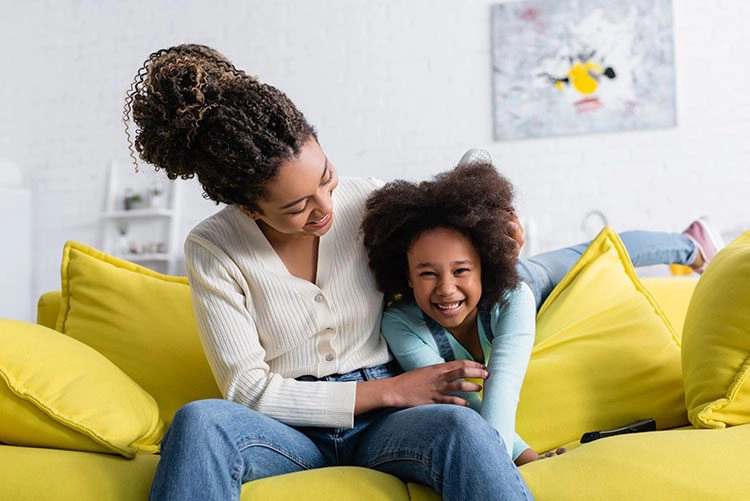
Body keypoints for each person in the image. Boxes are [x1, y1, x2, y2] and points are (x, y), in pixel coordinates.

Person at [124, 44, 533, 500]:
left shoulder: (369, 202)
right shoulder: (213, 247)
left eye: (326, 177)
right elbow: (245, 388)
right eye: (298, 206)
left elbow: (456, 223)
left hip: (390, 427)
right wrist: (392, 391)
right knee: (199, 421)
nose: (325, 208)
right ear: (247, 206)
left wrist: (508, 232)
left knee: (460, 426)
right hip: (288, 430)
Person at [360, 161, 723, 466]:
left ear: (483, 265)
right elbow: (467, 403)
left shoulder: (512, 293)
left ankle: (691, 244)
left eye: (460, 271)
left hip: (523, 283)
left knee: (599, 251)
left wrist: (499, 466)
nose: (445, 288)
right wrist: (531, 459)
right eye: (427, 273)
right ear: (406, 275)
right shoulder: (400, 324)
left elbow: (502, 388)